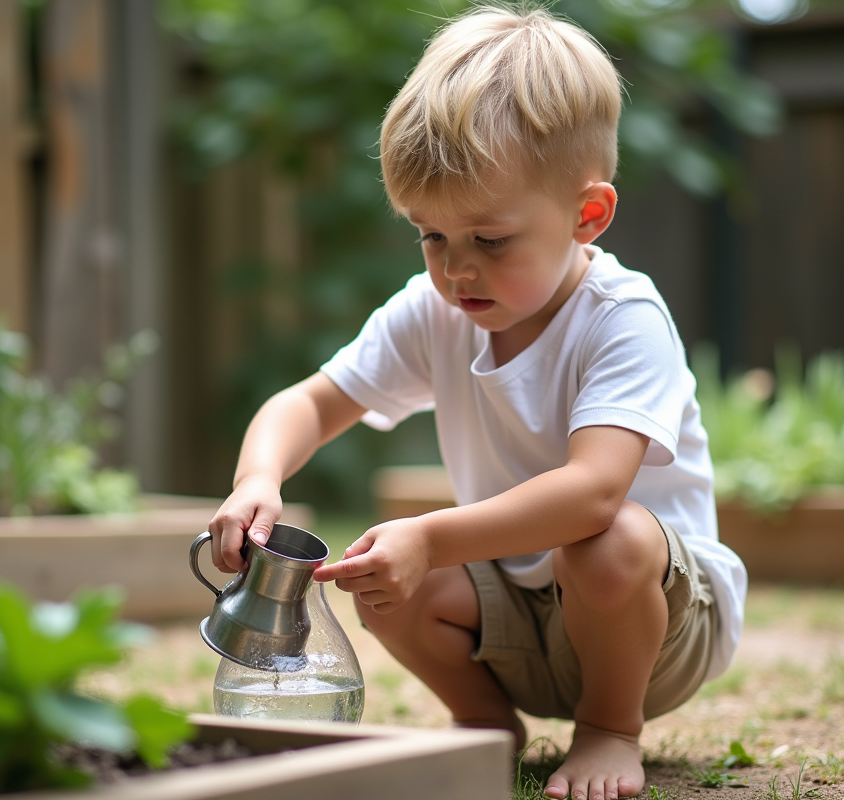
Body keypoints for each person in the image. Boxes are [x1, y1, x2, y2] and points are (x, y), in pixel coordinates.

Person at [206, 5, 747, 799]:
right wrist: (257, 479)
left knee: (608, 539)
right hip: (522, 621)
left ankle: (608, 730)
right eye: (430, 236)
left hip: (656, 625)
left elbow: (593, 492)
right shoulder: (435, 314)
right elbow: (309, 404)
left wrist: (431, 534)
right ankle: (486, 721)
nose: (456, 271)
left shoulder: (622, 318)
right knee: (382, 573)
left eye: (490, 240)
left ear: (585, 215)